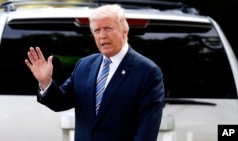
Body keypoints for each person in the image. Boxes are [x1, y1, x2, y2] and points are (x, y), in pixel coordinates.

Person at [25, 4, 164, 141]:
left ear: (124, 32)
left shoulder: (147, 71)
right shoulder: (84, 65)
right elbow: (60, 102)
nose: (102, 35)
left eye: (108, 28)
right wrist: (45, 82)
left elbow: (147, 131)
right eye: (97, 30)